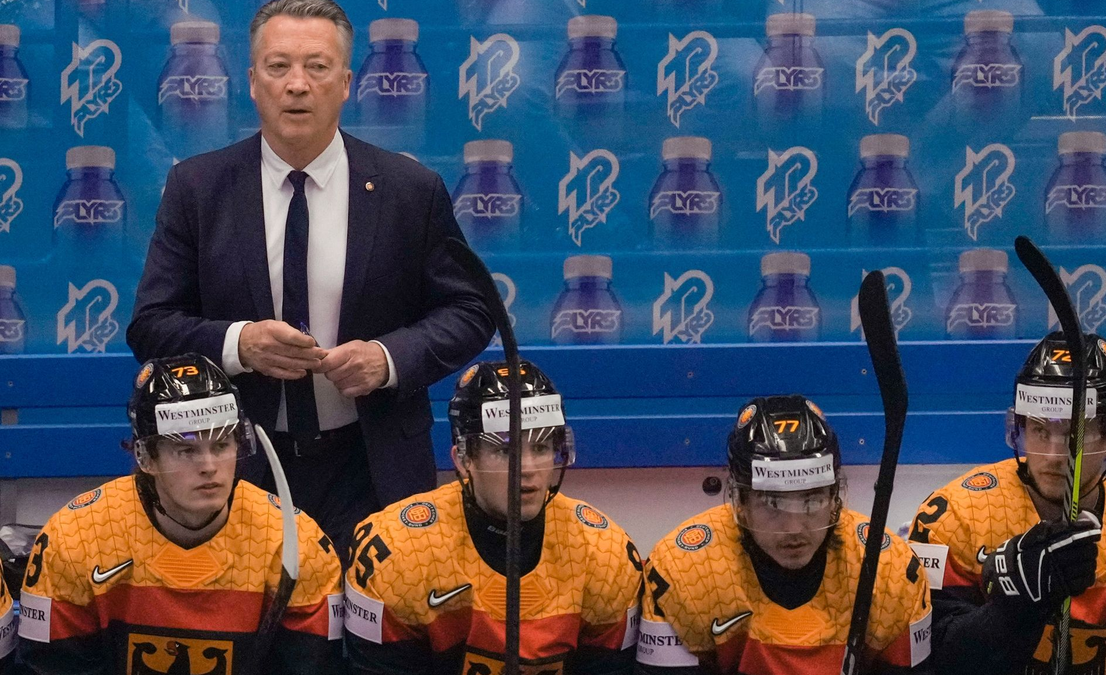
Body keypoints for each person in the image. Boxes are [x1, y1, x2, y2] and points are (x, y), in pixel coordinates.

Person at [126, 0, 493, 564]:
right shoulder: (198, 189)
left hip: (370, 466)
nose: (297, 85)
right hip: (235, 467)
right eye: (279, 67)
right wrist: (241, 344)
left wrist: (387, 359)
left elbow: (469, 311)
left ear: (346, 83)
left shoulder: (408, 189)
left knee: (373, 618)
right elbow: (151, 325)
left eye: (317, 67)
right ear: (253, 82)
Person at [17, 354, 344, 674]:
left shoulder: (298, 543)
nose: (209, 467)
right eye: (186, 450)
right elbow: (51, 666)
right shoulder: (74, 538)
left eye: (221, 445)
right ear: (146, 458)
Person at [909, 332, 1106, 675]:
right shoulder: (953, 515)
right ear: (1019, 427)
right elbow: (931, 663)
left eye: (1076, 434)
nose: (1055, 456)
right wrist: (1008, 611)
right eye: (1040, 430)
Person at [343, 360, 643, 674]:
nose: (528, 468)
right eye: (505, 450)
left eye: (541, 447)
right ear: (463, 459)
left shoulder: (605, 553)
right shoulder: (395, 550)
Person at [636, 395, 932, 674]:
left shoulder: (891, 572)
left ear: (834, 499)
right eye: (772, 503)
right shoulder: (683, 572)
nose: (794, 529)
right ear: (740, 504)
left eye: (812, 501)